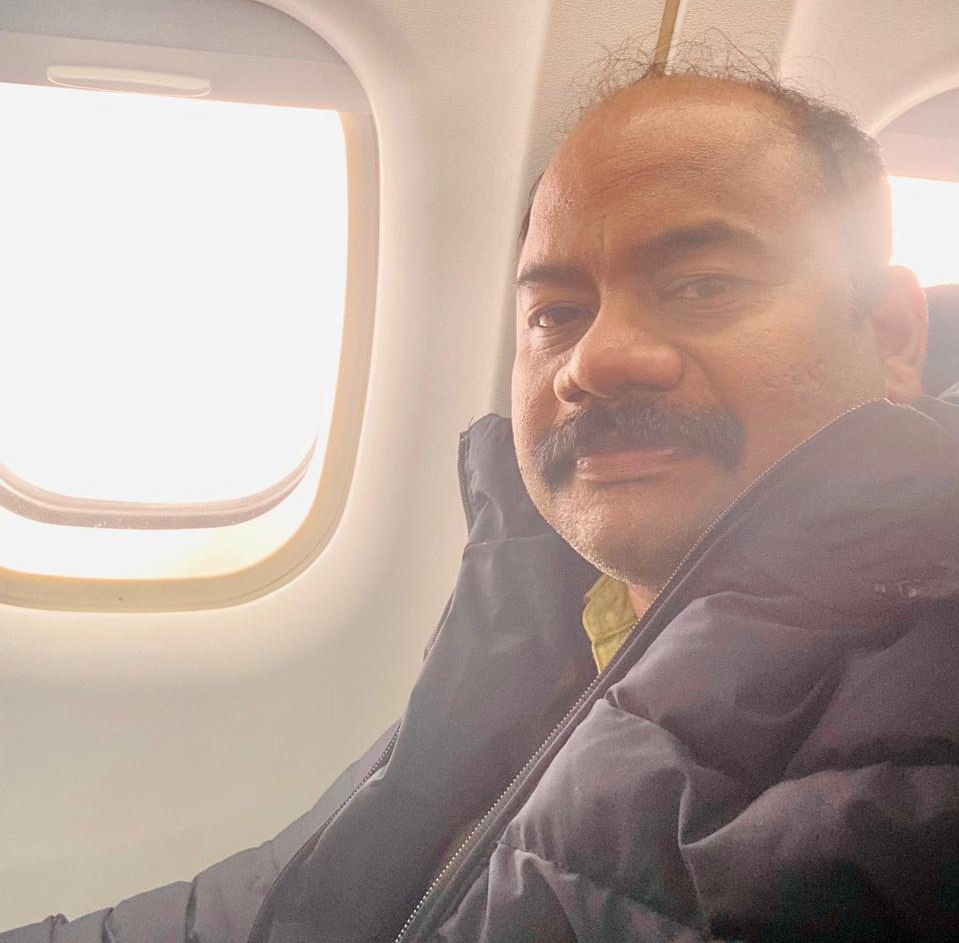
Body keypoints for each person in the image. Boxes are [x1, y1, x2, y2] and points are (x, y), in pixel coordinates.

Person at [7, 65, 959, 942]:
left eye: (701, 286)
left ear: (888, 333)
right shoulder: (533, 628)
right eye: (557, 313)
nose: (593, 362)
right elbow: (276, 909)